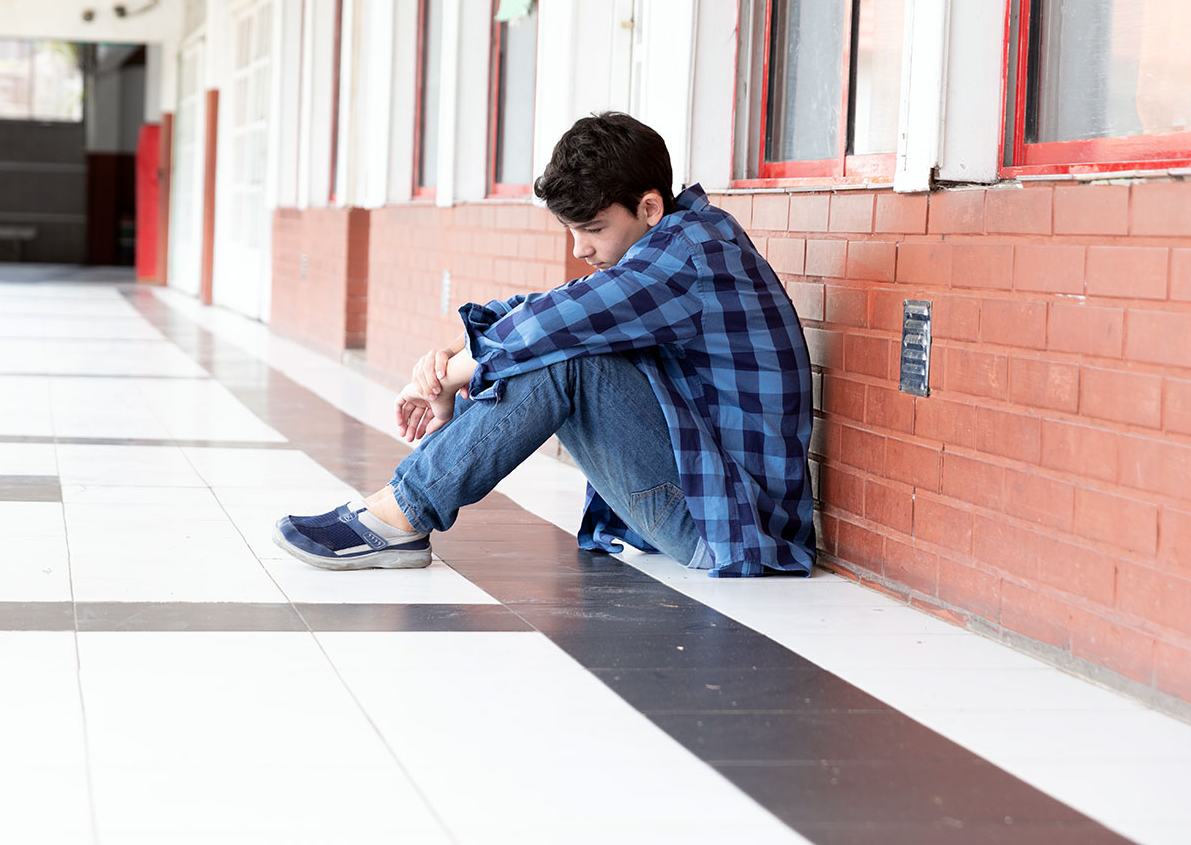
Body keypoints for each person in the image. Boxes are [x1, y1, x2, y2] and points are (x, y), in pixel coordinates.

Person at [272, 111, 814, 578]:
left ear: (649, 207)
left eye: (594, 229)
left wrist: (460, 371)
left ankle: (400, 515)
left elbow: (559, 324)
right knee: (558, 344)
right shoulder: (675, 243)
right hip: (706, 505)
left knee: (566, 360)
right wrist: (449, 360)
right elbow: (563, 303)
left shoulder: (689, 259)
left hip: (728, 524)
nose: (580, 248)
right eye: (571, 230)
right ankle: (399, 510)